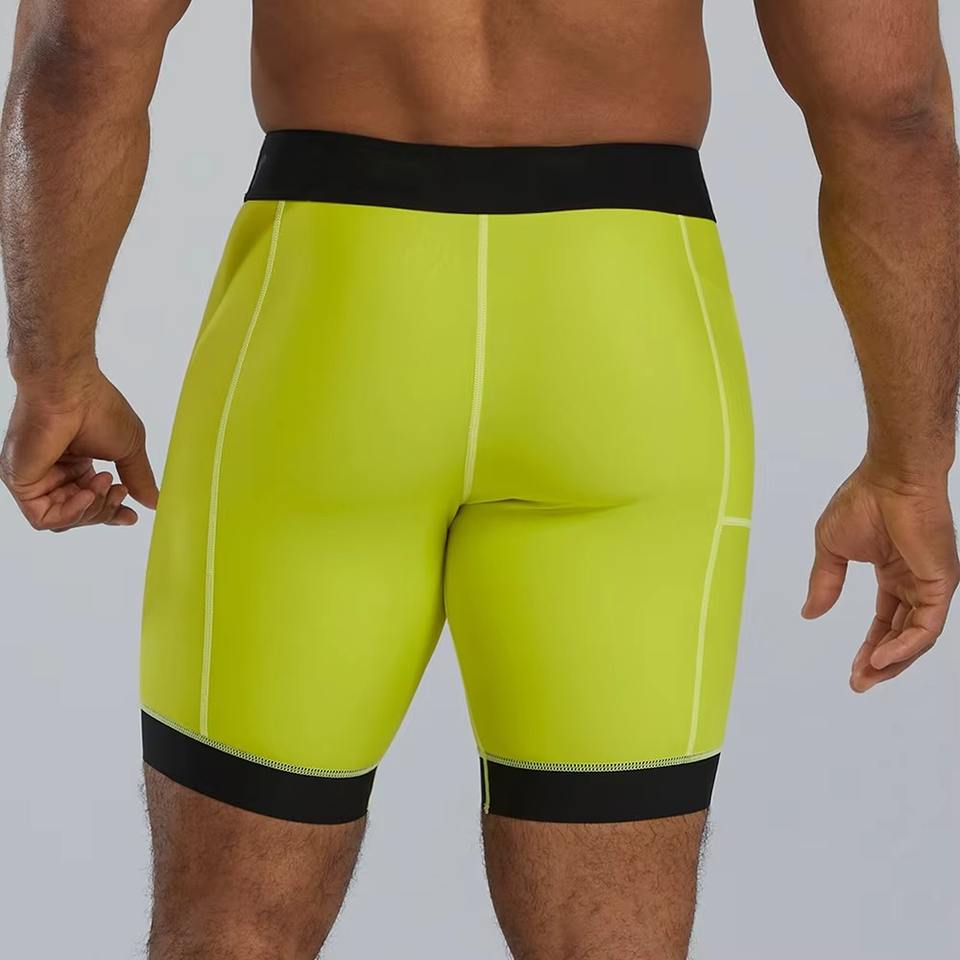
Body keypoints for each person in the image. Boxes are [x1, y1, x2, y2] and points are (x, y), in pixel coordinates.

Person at [1, 1, 958, 957]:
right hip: (625, 344)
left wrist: (54, 372)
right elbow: (891, 104)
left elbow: (79, 45)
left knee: (231, 936)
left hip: (328, 331)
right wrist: (910, 466)